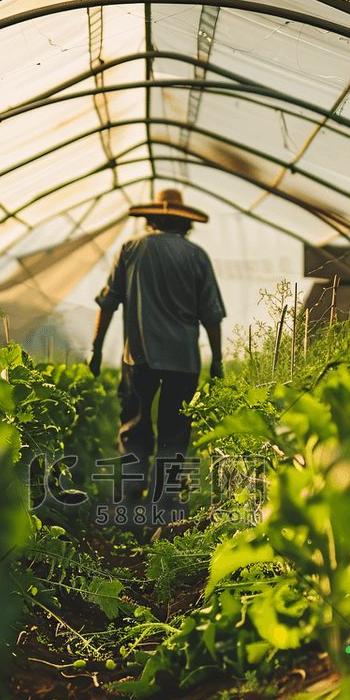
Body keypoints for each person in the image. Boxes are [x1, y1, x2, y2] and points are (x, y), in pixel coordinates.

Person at [88, 189, 225, 516]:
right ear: (184, 223)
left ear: (151, 219)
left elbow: (108, 304)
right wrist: (217, 360)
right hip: (184, 360)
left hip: (139, 356)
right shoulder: (197, 255)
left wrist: (95, 349)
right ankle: (165, 504)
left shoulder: (131, 249)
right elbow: (212, 315)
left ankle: (133, 495)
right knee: (175, 431)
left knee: (134, 423)